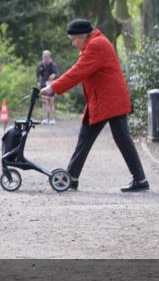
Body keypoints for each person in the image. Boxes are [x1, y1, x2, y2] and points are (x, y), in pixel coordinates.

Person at [39, 19, 149, 192]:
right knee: (90, 137)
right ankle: (72, 177)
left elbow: (77, 72)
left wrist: (53, 88)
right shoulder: (94, 43)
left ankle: (139, 179)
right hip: (103, 99)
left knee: (117, 138)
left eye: (74, 39)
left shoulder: (96, 45)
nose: (73, 43)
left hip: (109, 100)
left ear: (82, 36)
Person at [36, 50, 61, 124]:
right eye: (44, 57)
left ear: (50, 57)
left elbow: (58, 74)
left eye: (46, 57)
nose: (45, 58)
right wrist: (38, 82)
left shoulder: (53, 65)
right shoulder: (40, 65)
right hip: (43, 85)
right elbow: (38, 75)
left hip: (51, 85)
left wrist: (54, 76)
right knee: (44, 102)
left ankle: (52, 118)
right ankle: (45, 118)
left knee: (51, 102)